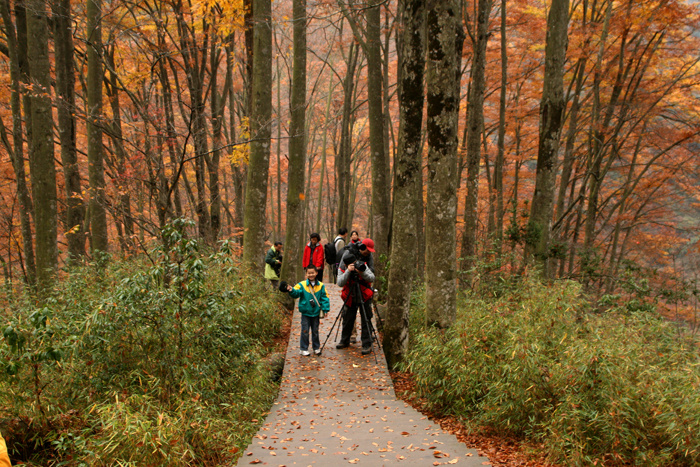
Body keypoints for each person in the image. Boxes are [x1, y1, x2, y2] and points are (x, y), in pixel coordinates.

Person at [336, 238, 376, 355]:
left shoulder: (366, 261)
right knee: (348, 318)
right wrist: (348, 271)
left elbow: (372, 277)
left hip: (364, 293)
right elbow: (340, 282)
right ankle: (344, 340)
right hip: (350, 293)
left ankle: (366, 344)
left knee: (366, 319)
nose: (368, 253)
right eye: (367, 250)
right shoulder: (346, 258)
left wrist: (362, 272)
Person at [285, 265, 330, 356]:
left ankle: (316, 347)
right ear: (306, 274)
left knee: (315, 331)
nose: (311, 275)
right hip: (305, 312)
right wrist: (291, 290)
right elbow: (296, 292)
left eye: (313, 273)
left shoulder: (321, 285)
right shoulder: (301, 285)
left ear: (316, 273)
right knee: (305, 331)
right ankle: (303, 348)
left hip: (316, 312)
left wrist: (325, 309)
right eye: (309, 273)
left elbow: (325, 297)